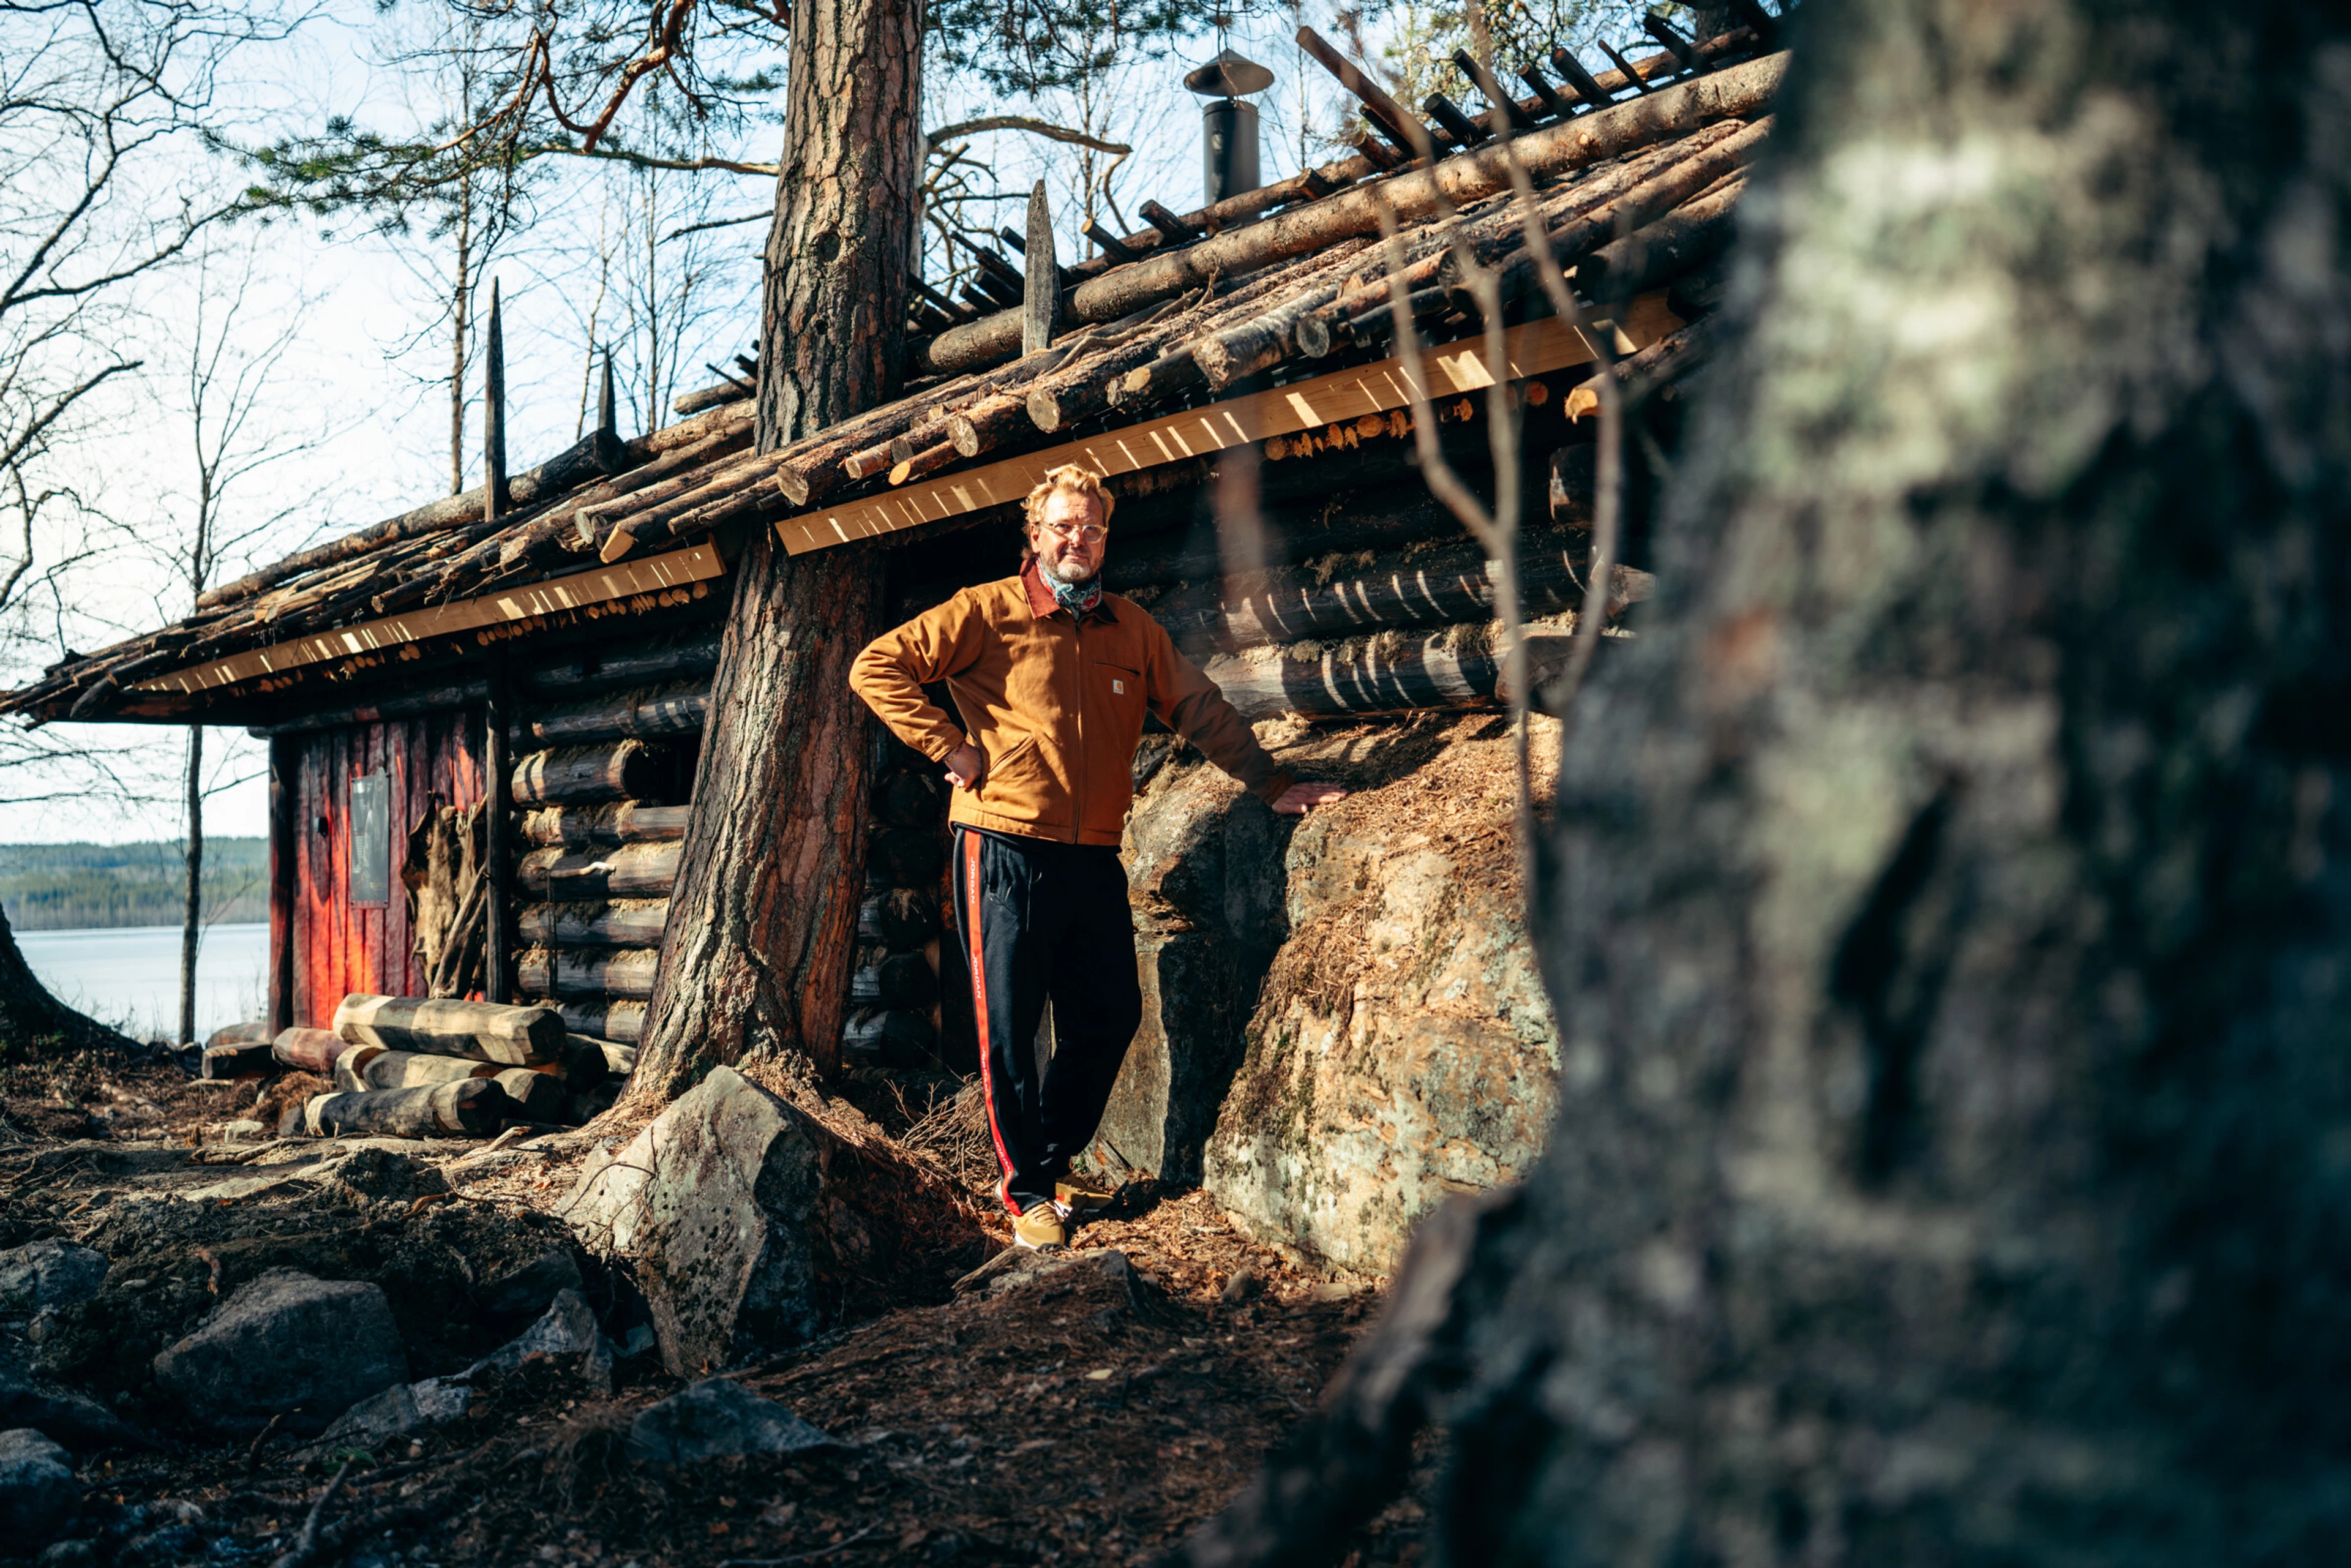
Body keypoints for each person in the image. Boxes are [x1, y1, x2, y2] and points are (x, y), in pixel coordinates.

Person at [849, 463, 1347, 1250]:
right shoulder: (986, 611)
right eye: (1061, 526)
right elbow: (875, 665)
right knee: (1010, 1030)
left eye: (1088, 526)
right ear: (1035, 536)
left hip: (1092, 856)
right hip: (1003, 844)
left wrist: (1271, 781)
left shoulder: (1131, 627)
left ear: (1104, 538)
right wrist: (949, 744)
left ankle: (1048, 1159)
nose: (1075, 537)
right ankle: (1025, 1196)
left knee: (1110, 1014)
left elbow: (1197, 706)